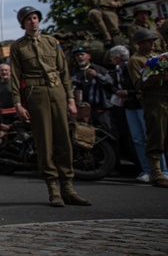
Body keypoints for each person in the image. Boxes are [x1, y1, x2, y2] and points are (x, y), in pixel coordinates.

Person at [9, 6, 90, 207]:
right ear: (22, 23)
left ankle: (68, 187)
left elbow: (64, 72)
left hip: (57, 93)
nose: (33, 22)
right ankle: (53, 189)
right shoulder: (18, 47)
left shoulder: (52, 42)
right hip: (36, 95)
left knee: (64, 140)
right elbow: (15, 76)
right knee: (44, 142)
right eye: (28, 19)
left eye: (35, 18)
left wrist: (70, 99)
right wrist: (18, 103)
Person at [108, 45, 160, 183]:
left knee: (151, 138)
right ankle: (147, 170)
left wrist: (128, 93)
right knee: (137, 139)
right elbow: (114, 85)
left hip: (140, 105)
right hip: (129, 107)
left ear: (118, 57)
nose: (111, 59)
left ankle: (162, 170)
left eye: (112, 56)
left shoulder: (131, 66)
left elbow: (141, 84)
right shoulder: (117, 70)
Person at [127, 28, 168, 187]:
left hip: (165, 96)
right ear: (139, 44)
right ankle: (156, 172)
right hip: (154, 100)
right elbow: (138, 84)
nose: (152, 44)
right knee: (156, 135)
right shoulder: (135, 60)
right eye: (148, 41)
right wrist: (157, 77)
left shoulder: (158, 56)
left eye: (153, 40)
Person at [69, 47, 115, 135]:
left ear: (89, 56)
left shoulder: (99, 69)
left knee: (107, 132)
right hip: (81, 110)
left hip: (99, 108)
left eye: (82, 54)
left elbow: (110, 83)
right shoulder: (73, 71)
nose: (80, 57)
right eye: (77, 55)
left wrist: (96, 75)